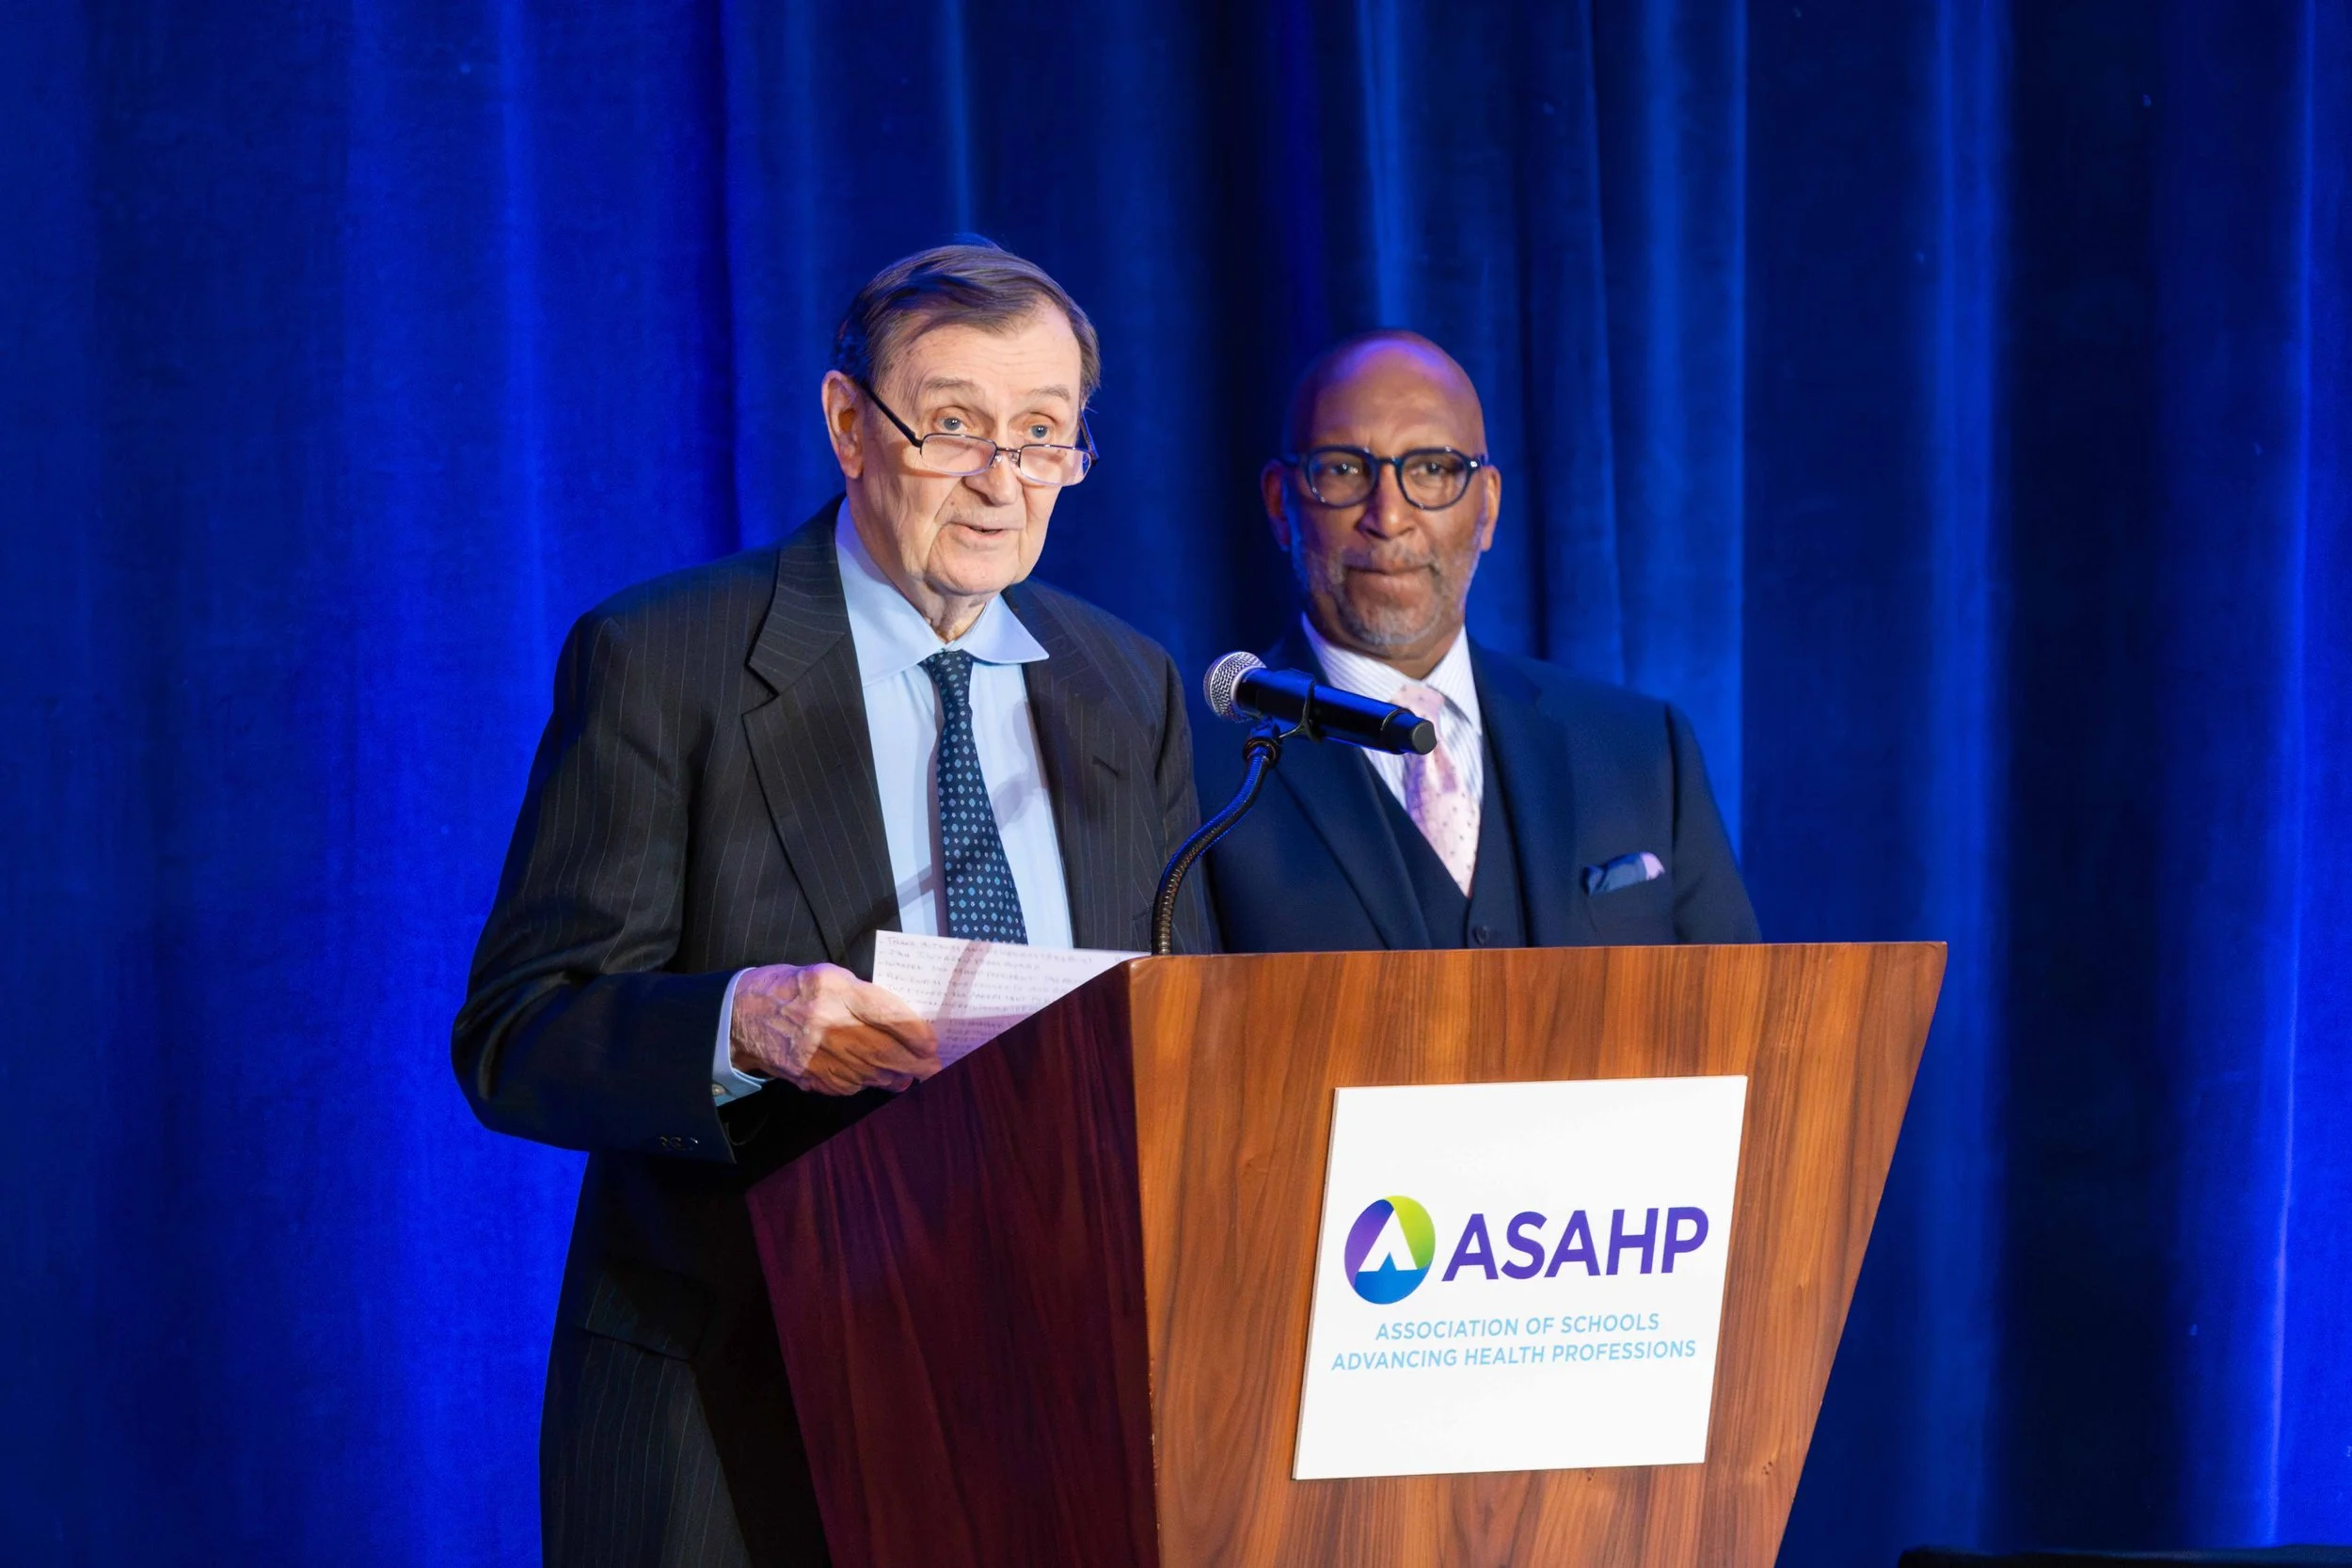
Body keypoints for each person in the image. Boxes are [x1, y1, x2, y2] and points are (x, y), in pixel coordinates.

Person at [453, 241, 1209, 1567]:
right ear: (849, 424)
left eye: (1043, 435)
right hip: (740, 1400)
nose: (999, 479)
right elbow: (518, 1035)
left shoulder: (1126, 684)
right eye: (957, 425)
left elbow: (1178, 1036)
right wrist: (740, 1024)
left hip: (1053, 1403)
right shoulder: (663, 658)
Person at [1201, 330, 1759, 953]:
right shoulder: (1196, 772)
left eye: (1433, 469)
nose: (1388, 517)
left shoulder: (1646, 751)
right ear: (1281, 506)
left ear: (1488, 507)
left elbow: (1735, 1028)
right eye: (1342, 469)